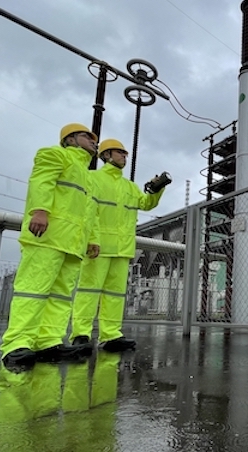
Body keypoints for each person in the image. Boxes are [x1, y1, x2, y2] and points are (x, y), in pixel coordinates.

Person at [0, 123, 101, 368]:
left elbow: (90, 212)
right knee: (32, 290)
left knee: (61, 295)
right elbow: (42, 182)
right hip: (48, 236)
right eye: (87, 136)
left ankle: (49, 341)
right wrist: (40, 211)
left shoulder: (87, 176)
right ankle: (17, 344)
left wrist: (92, 238)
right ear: (70, 139)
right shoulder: (54, 154)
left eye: (95, 139)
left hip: (73, 243)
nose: (94, 141)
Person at [69, 138, 166, 353]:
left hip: (122, 249)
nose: (124, 156)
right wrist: (92, 239)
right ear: (106, 155)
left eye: (125, 153)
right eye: (119, 152)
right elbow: (89, 212)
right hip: (99, 247)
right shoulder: (93, 178)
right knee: (88, 291)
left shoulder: (129, 186)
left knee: (115, 295)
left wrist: (156, 189)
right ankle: (81, 334)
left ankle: (111, 334)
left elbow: (146, 204)